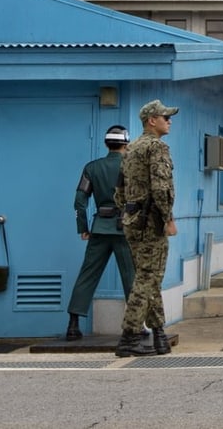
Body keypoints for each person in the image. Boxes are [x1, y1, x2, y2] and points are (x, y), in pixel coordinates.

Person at [114, 99, 179, 357]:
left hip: (132, 221)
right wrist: (167, 218)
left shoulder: (130, 150)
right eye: (165, 117)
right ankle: (129, 336)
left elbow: (119, 191)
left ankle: (159, 336)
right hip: (151, 222)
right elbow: (162, 188)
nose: (169, 121)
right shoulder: (157, 147)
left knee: (149, 279)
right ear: (152, 120)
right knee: (147, 279)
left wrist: (128, 212)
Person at [66, 126, 136, 341]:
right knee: (131, 275)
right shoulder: (133, 167)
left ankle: (73, 324)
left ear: (107, 144)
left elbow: (79, 201)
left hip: (99, 228)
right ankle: (135, 326)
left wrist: (83, 228)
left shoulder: (92, 168)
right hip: (127, 228)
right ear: (126, 143)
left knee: (88, 274)